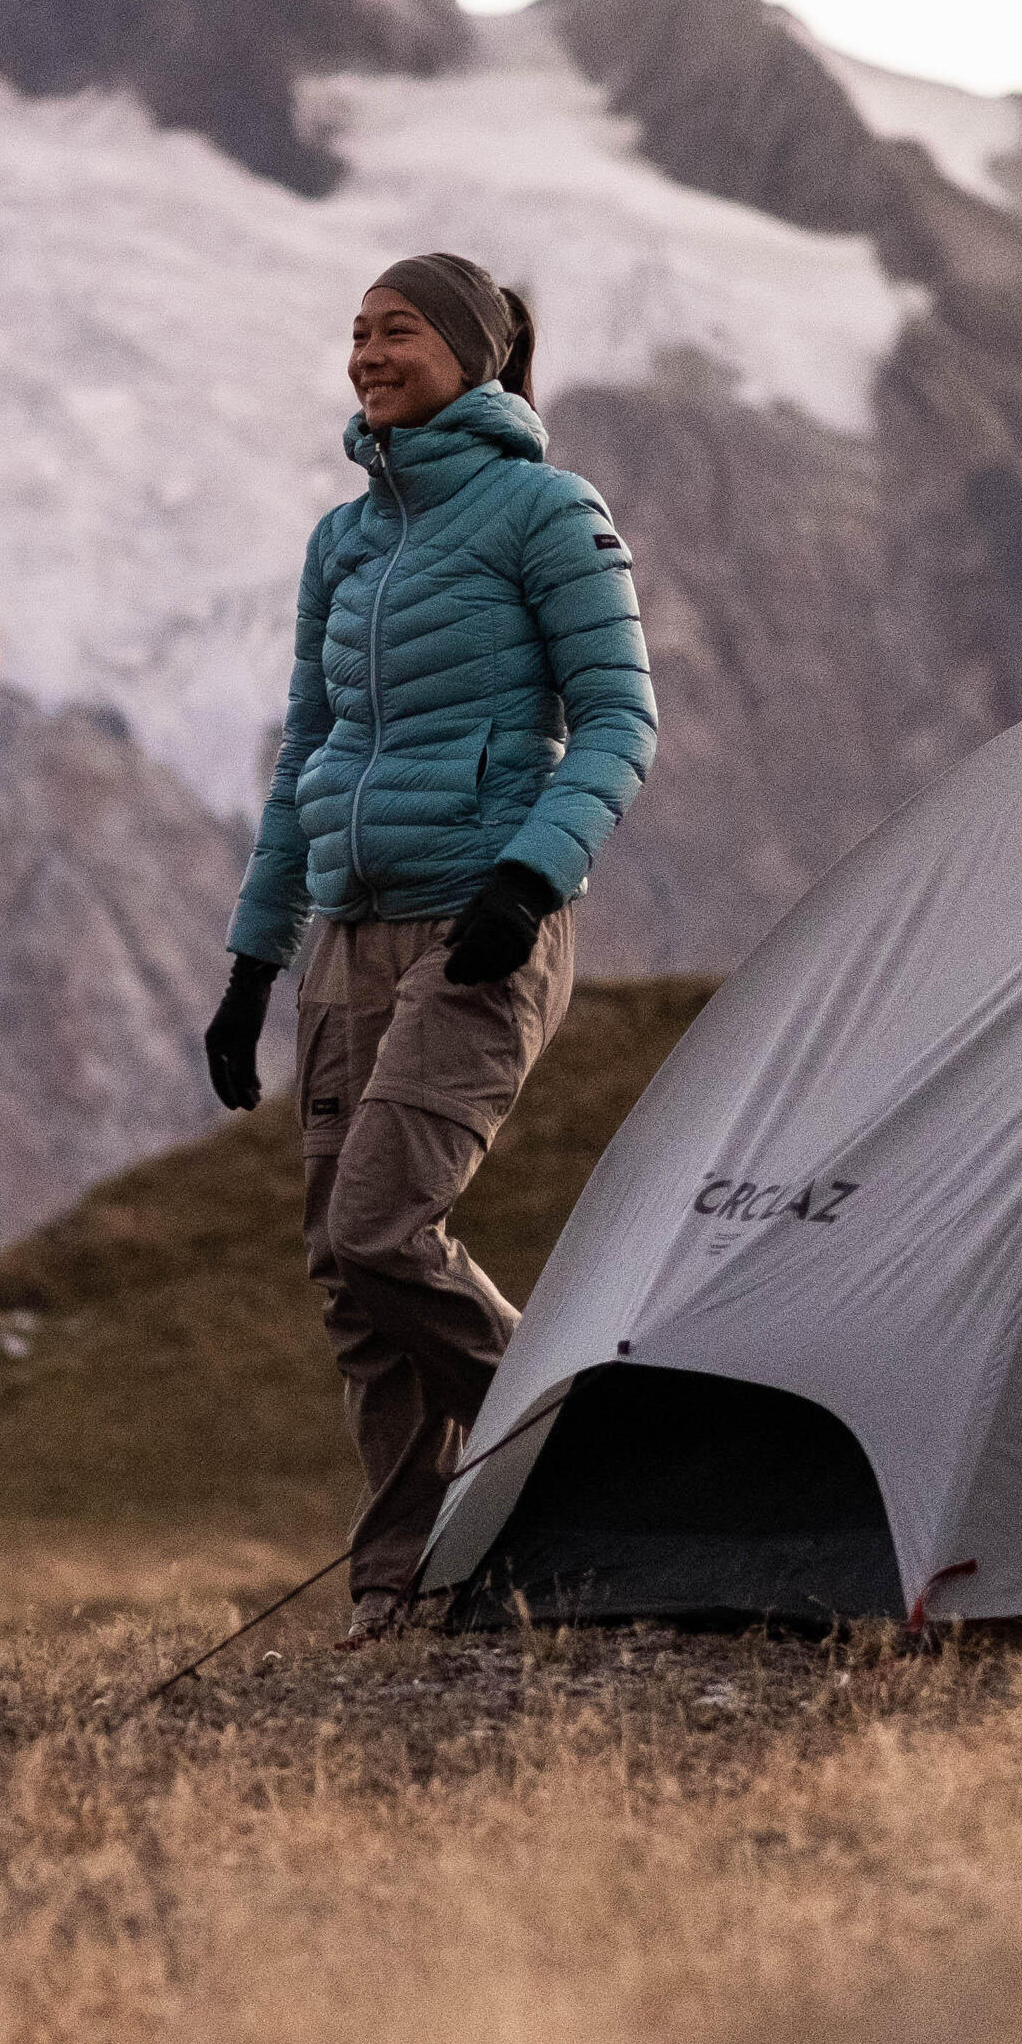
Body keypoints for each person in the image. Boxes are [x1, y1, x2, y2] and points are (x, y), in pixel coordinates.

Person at [205, 254, 655, 1638]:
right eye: (356, 333)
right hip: (347, 932)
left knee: (383, 1228)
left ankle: (606, 1491)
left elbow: (620, 717)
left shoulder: (547, 510)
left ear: (471, 354)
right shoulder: (344, 540)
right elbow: (308, 751)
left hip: (480, 923)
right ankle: (399, 1589)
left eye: (396, 330)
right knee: (352, 1284)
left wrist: (531, 877)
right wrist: (254, 960)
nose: (367, 355)